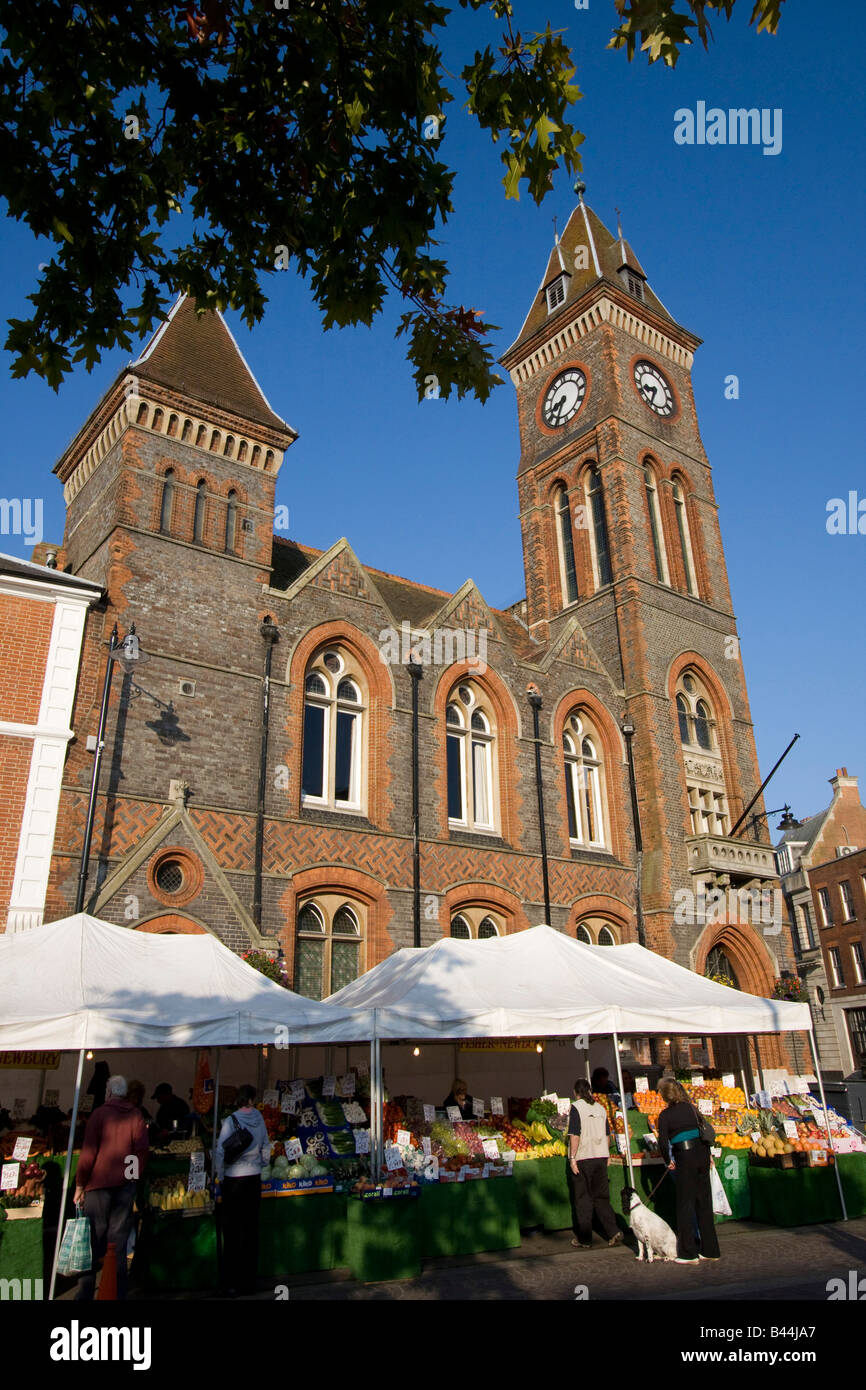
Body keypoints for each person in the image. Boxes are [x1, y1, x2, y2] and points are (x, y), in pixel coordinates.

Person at [73, 1074, 149, 1300]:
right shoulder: (135, 1115)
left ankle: (86, 1291)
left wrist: (80, 1184)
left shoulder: (99, 1114)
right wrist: (131, 1176)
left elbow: (88, 1153)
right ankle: (117, 1291)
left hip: (98, 1186)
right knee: (118, 1241)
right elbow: (141, 1151)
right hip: (123, 1187)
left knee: (92, 1241)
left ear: (108, 1092)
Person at [656, 1077, 721, 1265]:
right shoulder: (693, 1108)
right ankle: (711, 1249)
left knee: (685, 1204)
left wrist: (668, 1160)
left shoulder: (665, 1115)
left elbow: (663, 1142)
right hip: (701, 1154)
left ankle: (688, 1252)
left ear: (665, 1096)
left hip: (684, 1157)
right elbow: (704, 1131)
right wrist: (708, 1155)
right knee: (704, 1202)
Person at [215, 1084, 271, 1296]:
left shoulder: (231, 1121)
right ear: (252, 1099)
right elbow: (266, 1146)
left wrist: (220, 1176)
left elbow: (220, 1151)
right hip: (253, 1179)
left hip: (234, 1180)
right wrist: (261, 1163)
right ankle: (249, 1281)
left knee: (231, 1231)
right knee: (250, 1229)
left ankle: (231, 1282)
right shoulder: (259, 1119)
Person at [567, 1078, 623, 1250]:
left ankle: (585, 1239)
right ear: (590, 1091)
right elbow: (607, 1134)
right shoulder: (600, 1108)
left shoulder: (576, 1108)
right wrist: (605, 1154)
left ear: (576, 1093)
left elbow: (575, 1135)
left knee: (583, 1199)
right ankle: (613, 1231)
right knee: (601, 1197)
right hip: (600, 1156)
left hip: (584, 1157)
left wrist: (572, 1157)